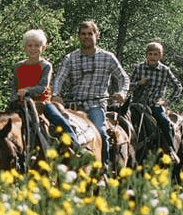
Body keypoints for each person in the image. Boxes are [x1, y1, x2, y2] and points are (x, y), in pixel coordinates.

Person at [51, 21, 128, 166]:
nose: (86, 37)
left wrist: (122, 92)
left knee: (101, 132)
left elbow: (123, 78)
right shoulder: (70, 58)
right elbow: (59, 79)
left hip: (96, 105)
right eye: (83, 34)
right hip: (72, 106)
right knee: (54, 133)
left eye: (90, 34)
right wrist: (56, 94)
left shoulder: (108, 57)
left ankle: (103, 168)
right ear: (79, 36)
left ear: (97, 36)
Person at [11, 29, 78, 140]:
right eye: (30, 45)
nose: (33, 49)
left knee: (58, 118)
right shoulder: (18, 66)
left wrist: (27, 91)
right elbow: (14, 86)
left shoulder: (46, 65)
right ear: (25, 48)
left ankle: (73, 141)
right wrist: (13, 99)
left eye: (37, 45)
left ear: (43, 47)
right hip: (21, 102)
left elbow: (43, 86)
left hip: (42, 102)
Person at [127, 41, 180, 162]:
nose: (152, 57)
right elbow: (128, 86)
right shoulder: (139, 67)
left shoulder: (165, 70)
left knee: (165, 122)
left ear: (160, 56)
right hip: (137, 103)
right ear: (146, 55)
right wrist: (139, 83)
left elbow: (178, 87)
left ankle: (170, 150)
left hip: (154, 104)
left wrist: (167, 101)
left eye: (155, 54)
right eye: (150, 54)